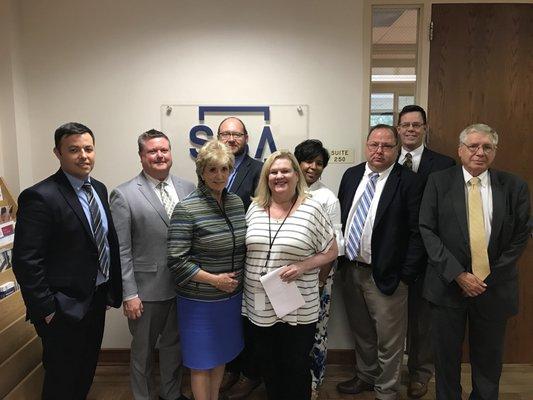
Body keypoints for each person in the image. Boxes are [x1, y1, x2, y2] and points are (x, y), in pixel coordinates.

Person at [12, 122, 123, 400]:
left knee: (85, 370)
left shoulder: (97, 188)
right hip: (61, 308)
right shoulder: (40, 196)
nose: (83, 155)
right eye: (73, 150)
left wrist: (109, 289)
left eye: (88, 148)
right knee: (61, 378)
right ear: (58, 153)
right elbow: (27, 260)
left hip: (95, 299)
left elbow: (104, 242)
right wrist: (46, 309)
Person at [419, 123, 530, 400]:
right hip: (447, 286)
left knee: (489, 360)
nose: (480, 152)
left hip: (494, 288)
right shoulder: (438, 181)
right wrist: (459, 275)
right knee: (446, 359)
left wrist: (486, 277)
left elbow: (521, 235)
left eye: (487, 147)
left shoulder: (514, 185)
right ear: (460, 150)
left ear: (494, 152)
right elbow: (427, 229)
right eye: (473, 146)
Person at [336, 124, 425, 400]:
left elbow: (417, 232)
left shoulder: (408, 181)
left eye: (387, 146)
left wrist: (405, 275)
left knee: (389, 340)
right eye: (374, 144)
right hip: (351, 270)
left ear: (396, 150)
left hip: (387, 275)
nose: (379, 151)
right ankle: (366, 375)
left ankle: (386, 391)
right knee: (362, 333)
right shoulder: (351, 175)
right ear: (366, 145)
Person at [243, 151, 338, 400]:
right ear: (266, 177)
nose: (279, 176)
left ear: (297, 175)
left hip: (296, 303)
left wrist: (304, 266)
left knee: (295, 366)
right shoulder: (255, 207)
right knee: (269, 365)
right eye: (273, 172)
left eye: (285, 171)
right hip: (259, 303)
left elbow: (332, 250)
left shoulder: (312, 209)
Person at [110, 129, 195, 400]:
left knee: (173, 346)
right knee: (143, 351)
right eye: (152, 151)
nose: (159, 155)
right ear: (141, 156)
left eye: (164, 150)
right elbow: (122, 250)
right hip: (146, 292)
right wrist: (129, 293)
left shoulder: (188, 188)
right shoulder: (123, 195)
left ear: (171, 153)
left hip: (183, 287)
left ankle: (171, 394)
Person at [167, 140, 247, 400]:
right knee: (201, 361)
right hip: (199, 301)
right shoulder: (187, 208)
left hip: (231, 298)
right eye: (212, 169)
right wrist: (215, 280)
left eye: (224, 169)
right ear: (201, 172)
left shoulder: (236, 203)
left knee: (221, 354)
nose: (219, 175)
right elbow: (177, 261)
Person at [397, 105, 455, 399]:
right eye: (405, 125)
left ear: (425, 128)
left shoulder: (445, 164)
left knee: (423, 321)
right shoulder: (386, 160)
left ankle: (420, 374)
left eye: (416, 125)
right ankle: (387, 372)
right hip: (395, 255)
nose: (410, 129)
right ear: (398, 128)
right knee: (392, 319)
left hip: (431, 255)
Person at [216, 116, 263, 400]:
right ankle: (232, 369)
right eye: (225, 134)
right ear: (217, 137)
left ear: (246, 138)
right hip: (220, 259)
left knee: (252, 319)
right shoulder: (210, 169)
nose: (231, 139)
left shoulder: (258, 169)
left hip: (251, 257)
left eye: (237, 134)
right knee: (229, 318)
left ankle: (251, 374)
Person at [294, 139, 344, 399]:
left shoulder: (327, 198)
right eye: (308, 161)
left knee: (316, 331)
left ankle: (313, 383)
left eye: (319, 163)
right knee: (292, 332)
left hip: (318, 279)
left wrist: (321, 282)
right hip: (291, 278)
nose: (313, 167)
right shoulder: (286, 190)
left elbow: (333, 248)